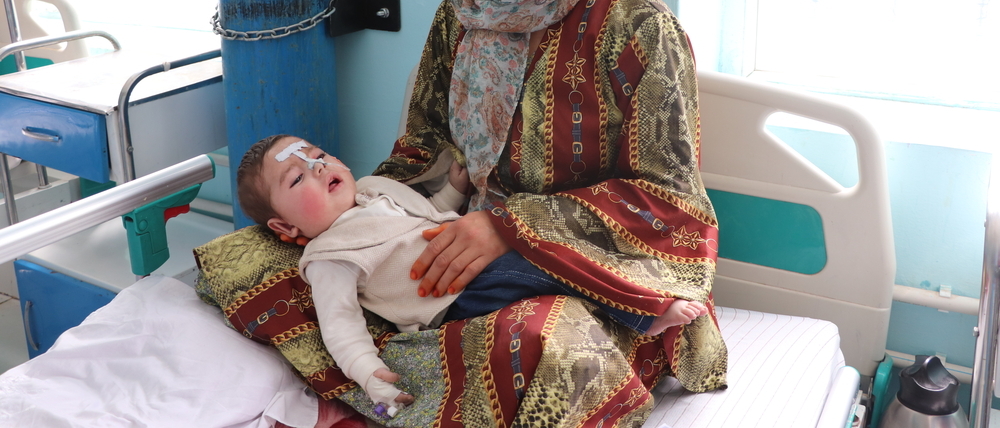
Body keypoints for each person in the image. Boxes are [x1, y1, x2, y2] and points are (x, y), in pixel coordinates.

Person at [366, 0, 729, 426]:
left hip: (594, 280)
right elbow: (419, 150)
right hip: (461, 251)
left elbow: (672, 207)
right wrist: (364, 218)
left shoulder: (637, 28)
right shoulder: (462, 17)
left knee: (539, 345)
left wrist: (511, 226)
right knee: (295, 268)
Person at [236, 134, 710, 417]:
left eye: (316, 155)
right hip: (453, 298)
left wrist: (454, 191)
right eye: (297, 179)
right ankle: (643, 314)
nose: (317, 168)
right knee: (543, 264)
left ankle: (634, 289)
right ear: (284, 226)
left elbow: (425, 216)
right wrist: (369, 375)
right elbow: (339, 325)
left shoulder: (373, 191)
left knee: (552, 246)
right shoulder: (329, 255)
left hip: (474, 258)